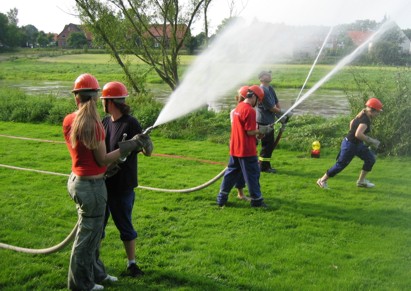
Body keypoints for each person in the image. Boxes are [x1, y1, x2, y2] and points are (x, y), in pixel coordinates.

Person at [63, 73, 151, 290]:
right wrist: (129, 146)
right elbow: (101, 159)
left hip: (84, 181)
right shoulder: (95, 124)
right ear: (95, 98)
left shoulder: (70, 119)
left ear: (77, 97)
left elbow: (95, 158)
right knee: (88, 239)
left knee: (93, 236)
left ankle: (98, 274)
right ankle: (81, 284)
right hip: (92, 185)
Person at [100, 81, 147, 277]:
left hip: (122, 185)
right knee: (97, 226)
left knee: (124, 225)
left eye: (103, 100)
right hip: (102, 183)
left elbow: (148, 151)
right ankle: (94, 262)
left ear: (110, 101)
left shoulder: (131, 123)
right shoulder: (104, 122)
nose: (102, 103)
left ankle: (132, 264)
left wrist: (144, 142)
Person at [217, 85, 268, 208]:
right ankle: (257, 201)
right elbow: (250, 131)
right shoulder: (250, 110)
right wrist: (262, 130)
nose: (258, 103)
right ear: (254, 96)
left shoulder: (239, 107)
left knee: (230, 173)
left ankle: (221, 198)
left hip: (235, 148)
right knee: (252, 175)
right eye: (259, 100)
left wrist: (258, 131)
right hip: (246, 149)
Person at [317, 98, 383, 189]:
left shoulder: (362, 114)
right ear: (372, 110)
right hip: (350, 145)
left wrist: (352, 131)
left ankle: (361, 181)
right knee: (340, 165)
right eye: (378, 112)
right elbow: (358, 134)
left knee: (370, 159)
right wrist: (372, 141)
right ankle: (322, 180)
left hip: (357, 144)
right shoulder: (365, 120)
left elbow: (351, 122)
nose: (378, 114)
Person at [256, 70, 291, 173]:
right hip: (263, 121)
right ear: (261, 78)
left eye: (270, 74)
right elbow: (271, 108)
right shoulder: (262, 90)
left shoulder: (270, 88)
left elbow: (276, 103)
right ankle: (264, 167)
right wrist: (284, 112)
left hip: (270, 121)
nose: (270, 75)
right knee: (267, 145)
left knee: (269, 145)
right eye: (267, 74)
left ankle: (265, 165)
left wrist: (281, 116)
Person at [229, 86, 251, 201]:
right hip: (239, 145)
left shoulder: (249, 110)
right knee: (237, 170)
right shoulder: (235, 111)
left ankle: (241, 193)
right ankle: (240, 193)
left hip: (246, 144)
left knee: (241, 170)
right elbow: (238, 129)